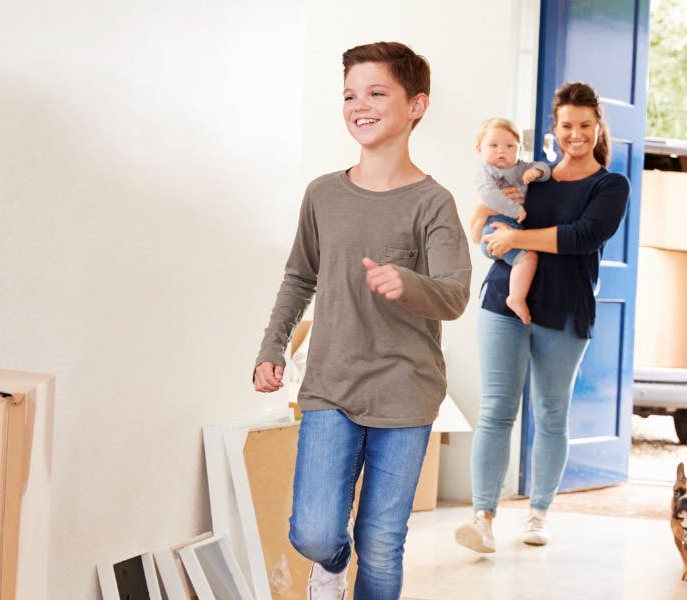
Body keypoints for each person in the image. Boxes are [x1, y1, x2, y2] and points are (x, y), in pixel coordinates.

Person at [251, 41, 470, 600]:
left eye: (377, 92)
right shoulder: (323, 194)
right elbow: (300, 277)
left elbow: (453, 295)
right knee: (315, 531)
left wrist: (408, 284)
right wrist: (272, 347)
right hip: (332, 384)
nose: (359, 104)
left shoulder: (433, 203)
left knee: (382, 544)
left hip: (406, 392)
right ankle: (331, 565)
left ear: (416, 105)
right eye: (350, 94)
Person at [453, 82, 629, 553]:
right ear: (554, 128)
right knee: (495, 411)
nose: (575, 134)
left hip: (564, 307)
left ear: (597, 128)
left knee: (551, 415)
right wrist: (487, 224)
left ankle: (538, 514)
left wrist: (517, 240)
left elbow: (582, 237)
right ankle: (483, 517)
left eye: (585, 126)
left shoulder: (610, 185)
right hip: (502, 302)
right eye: (566, 125)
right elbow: (481, 221)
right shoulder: (534, 177)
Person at [470, 118, 551, 324]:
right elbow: (490, 197)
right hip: (493, 229)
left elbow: (544, 167)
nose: (501, 151)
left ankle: (516, 295)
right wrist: (514, 210)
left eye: (509, 146)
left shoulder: (520, 168)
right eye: (493, 145)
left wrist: (538, 172)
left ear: (519, 148)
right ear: (479, 149)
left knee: (526, 257)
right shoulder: (485, 172)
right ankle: (515, 297)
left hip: (512, 227)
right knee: (528, 258)